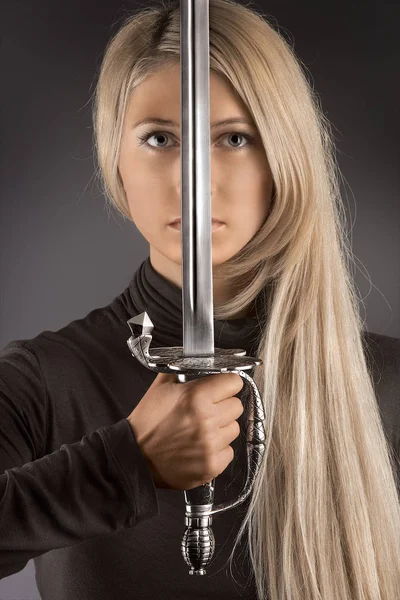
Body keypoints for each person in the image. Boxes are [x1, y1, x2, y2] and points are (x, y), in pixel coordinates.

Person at [1, 0, 399, 598]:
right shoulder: (42, 382)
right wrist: (122, 465)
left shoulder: (391, 389)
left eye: (234, 138)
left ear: (284, 161)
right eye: (160, 138)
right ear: (115, 159)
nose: (194, 179)